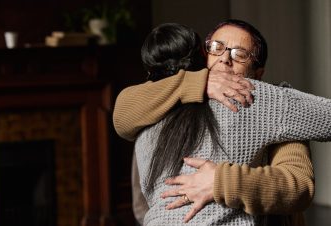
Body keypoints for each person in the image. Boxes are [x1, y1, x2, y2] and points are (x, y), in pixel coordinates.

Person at [113, 21, 322, 225]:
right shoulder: (167, 101)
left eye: (239, 54)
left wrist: (221, 182)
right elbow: (122, 113)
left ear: (258, 74)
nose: (224, 59)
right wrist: (197, 82)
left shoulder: (267, 103)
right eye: (216, 48)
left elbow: (299, 186)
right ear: (204, 55)